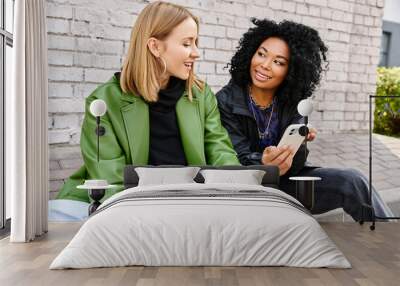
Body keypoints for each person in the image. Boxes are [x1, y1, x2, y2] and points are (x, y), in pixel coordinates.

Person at [56, 1, 239, 204]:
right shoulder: (103, 103)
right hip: (131, 205)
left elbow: (221, 152)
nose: (196, 53)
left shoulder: (201, 96)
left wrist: (238, 189)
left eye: (196, 43)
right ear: (155, 46)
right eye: (187, 44)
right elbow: (111, 182)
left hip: (189, 202)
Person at [216, 18, 393, 221]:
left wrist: (300, 142)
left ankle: (390, 242)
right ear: (250, 53)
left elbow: (298, 166)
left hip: (289, 183)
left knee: (353, 180)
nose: (264, 65)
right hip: (249, 187)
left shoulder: (292, 99)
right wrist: (263, 162)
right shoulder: (225, 101)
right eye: (261, 54)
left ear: (292, 70)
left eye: (278, 62)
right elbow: (231, 158)